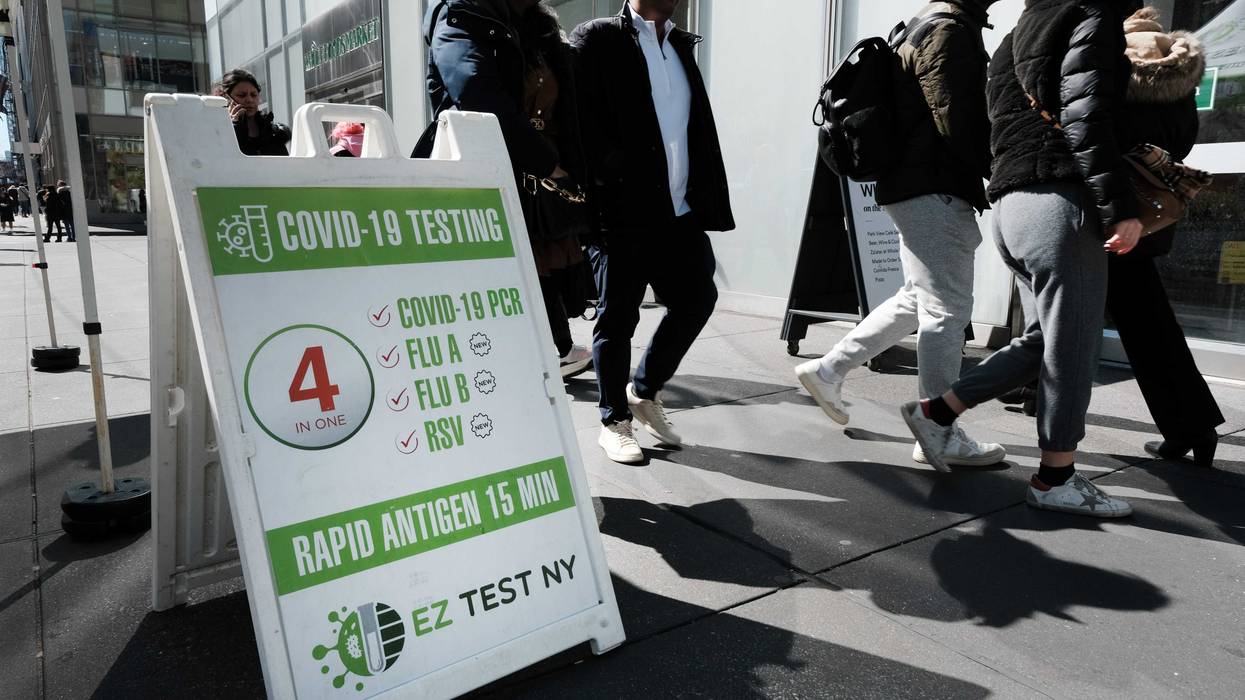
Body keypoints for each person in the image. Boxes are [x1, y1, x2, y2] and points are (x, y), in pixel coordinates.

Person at [901, 0, 1145, 518]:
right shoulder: (1091, 18)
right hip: (1061, 201)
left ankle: (937, 411)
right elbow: (1086, 115)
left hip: (1011, 206)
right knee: (1072, 347)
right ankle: (1055, 479)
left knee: (1043, 339)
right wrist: (1120, 206)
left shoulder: (1015, 35)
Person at [795, 0, 1005, 468]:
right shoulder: (948, 30)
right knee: (947, 310)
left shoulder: (923, 26)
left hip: (911, 185)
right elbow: (956, 116)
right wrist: (1002, 171)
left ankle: (827, 370)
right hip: (933, 186)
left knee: (919, 299)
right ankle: (939, 427)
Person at [571, 0, 734, 463]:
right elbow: (579, 121)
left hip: (677, 208)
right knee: (618, 316)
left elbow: (690, 128)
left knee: (697, 299)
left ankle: (644, 390)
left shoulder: (679, 45)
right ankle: (613, 420)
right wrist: (608, 177)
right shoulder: (597, 38)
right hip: (621, 210)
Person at [421, 0, 594, 379]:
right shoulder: (459, 15)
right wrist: (547, 163)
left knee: (537, 268)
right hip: (491, 172)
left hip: (535, 170)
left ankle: (548, 353)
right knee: (511, 271)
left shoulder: (536, 27)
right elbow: (478, 96)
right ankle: (529, 358)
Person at [1109, 7, 1223, 466]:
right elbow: (1183, 142)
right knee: (1151, 324)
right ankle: (1192, 427)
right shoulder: (1181, 79)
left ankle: (1036, 408)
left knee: (1059, 318)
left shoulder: (1116, 68)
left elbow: (1099, 136)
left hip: (1114, 211)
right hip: (1155, 211)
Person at [216, 69, 291, 156]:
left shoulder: (271, 130)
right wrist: (235, 126)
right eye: (241, 95)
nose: (249, 100)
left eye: (253, 95)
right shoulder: (220, 132)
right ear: (227, 98)